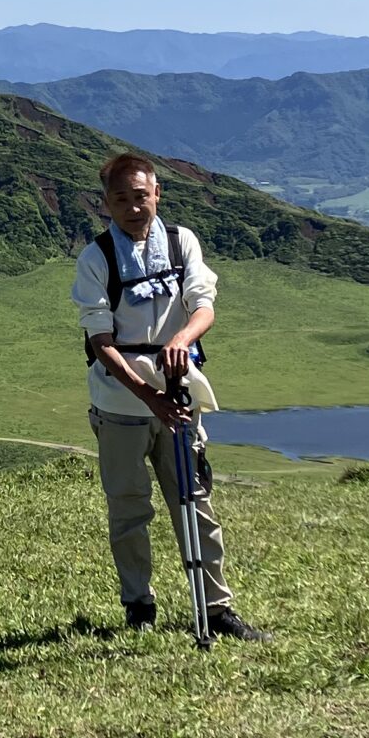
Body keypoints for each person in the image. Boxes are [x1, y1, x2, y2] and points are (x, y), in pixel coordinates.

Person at [74, 150, 262, 640]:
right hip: (121, 401)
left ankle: (216, 611)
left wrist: (181, 341)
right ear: (107, 204)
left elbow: (203, 304)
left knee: (194, 498)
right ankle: (139, 608)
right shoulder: (97, 258)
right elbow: (100, 341)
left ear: (158, 194)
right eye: (122, 200)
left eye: (142, 196)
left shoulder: (182, 244)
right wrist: (144, 393)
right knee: (129, 506)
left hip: (179, 393)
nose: (134, 208)